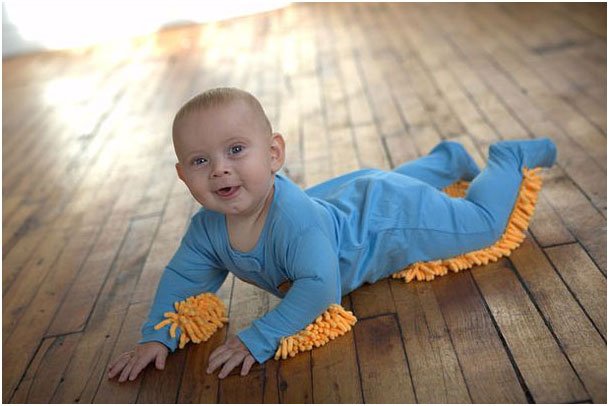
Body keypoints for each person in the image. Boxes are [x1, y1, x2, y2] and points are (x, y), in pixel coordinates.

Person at [107, 87, 557, 383]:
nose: (220, 167)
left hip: (385, 219)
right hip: (352, 196)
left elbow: (321, 288)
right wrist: (155, 335)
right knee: (381, 180)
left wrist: (259, 335)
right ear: (183, 176)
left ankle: (508, 158)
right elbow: (184, 278)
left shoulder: (294, 222)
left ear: (274, 153)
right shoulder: (207, 228)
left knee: (481, 224)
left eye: (236, 150)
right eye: (200, 161)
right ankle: (447, 160)